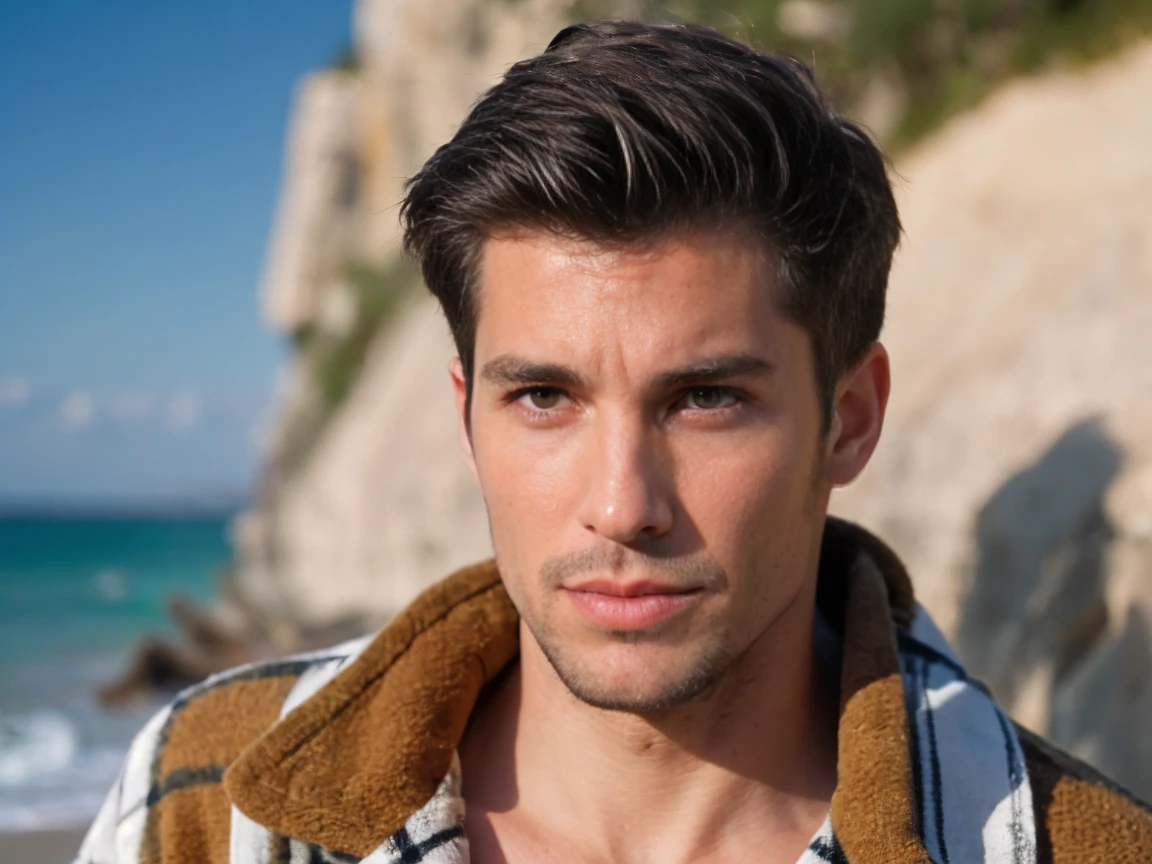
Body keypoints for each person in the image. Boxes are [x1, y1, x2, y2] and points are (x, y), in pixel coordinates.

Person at [76, 20, 1151, 864]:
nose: (622, 503)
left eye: (706, 400)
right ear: (466, 419)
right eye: (544, 396)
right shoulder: (205, 801)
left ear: (849, 420)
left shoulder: (1078, 848)